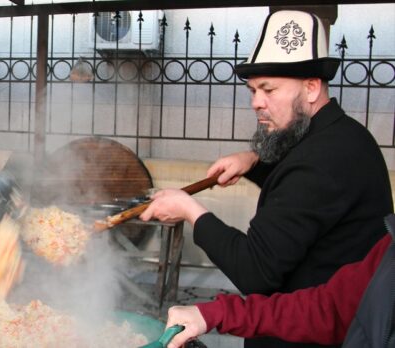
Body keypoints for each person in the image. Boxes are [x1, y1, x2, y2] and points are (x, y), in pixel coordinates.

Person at [139, 10, 393, 348]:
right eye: (253, 90)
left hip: (307, 336)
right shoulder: (345, 138)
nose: (257, 102)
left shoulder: (321, 161)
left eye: (268, 89)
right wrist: (253, 163)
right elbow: (305, 199)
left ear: (312, 87)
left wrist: (190, 210)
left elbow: (255, 271)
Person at [164, 214, 394, 348]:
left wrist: (191, 211)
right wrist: (218, 313)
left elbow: (255, 269)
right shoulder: (389, 248)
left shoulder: (329, 155)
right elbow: (331, 308)